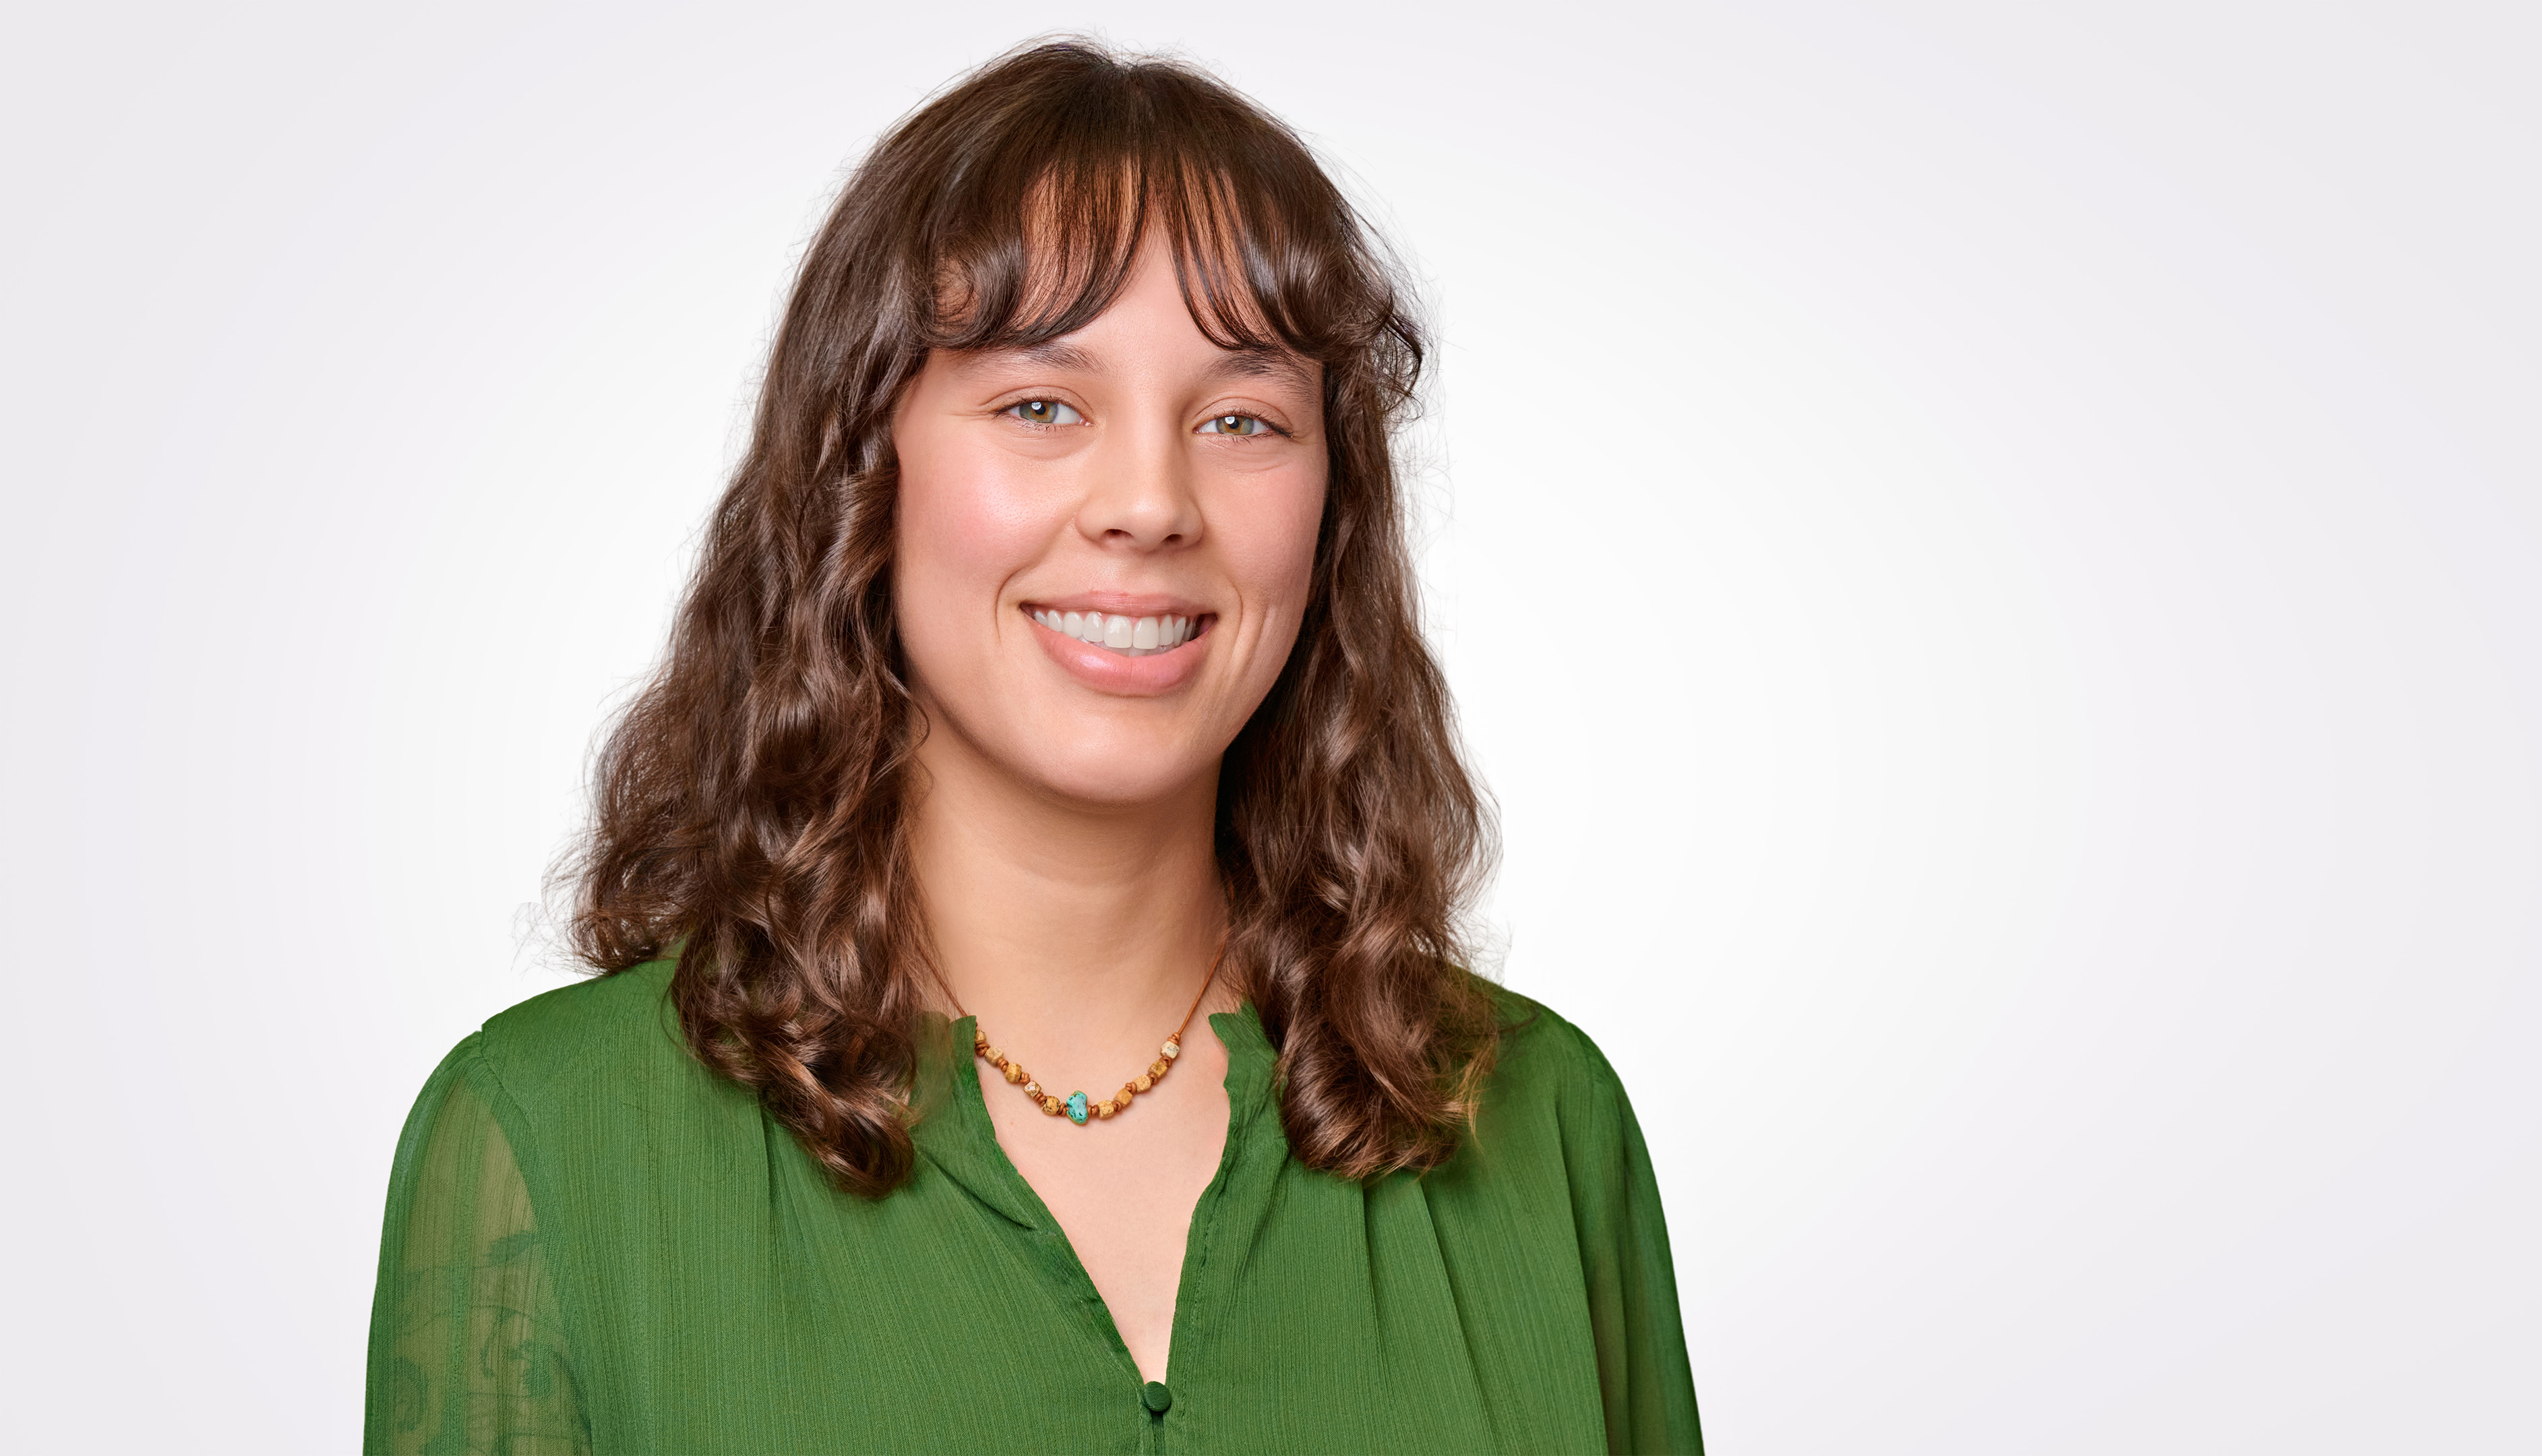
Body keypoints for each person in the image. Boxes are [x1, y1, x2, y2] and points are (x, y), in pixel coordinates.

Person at [364, 38, 1697, 1455]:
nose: (1148, 502)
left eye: (1243, 418)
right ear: (862, 472)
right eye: (1041, 406)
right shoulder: (550, 1142)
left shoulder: (1546, 1126)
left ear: (1334, 513)